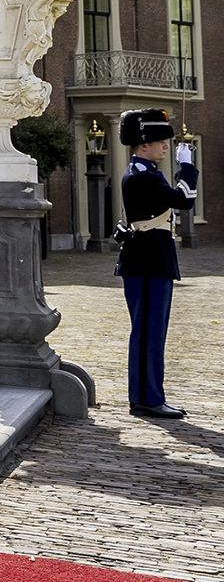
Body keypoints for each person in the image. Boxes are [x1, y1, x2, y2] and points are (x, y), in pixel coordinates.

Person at [113, 108, 199, 420]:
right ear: (144, 143)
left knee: (151, 331)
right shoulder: (141, 175)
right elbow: (184, 200)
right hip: (147, 261)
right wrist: (187, 168)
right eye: (161, 141)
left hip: (150, 259)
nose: (166, 147)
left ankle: (147, 396)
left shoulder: (146, 171)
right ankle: (148, 398)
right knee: (149, 332)